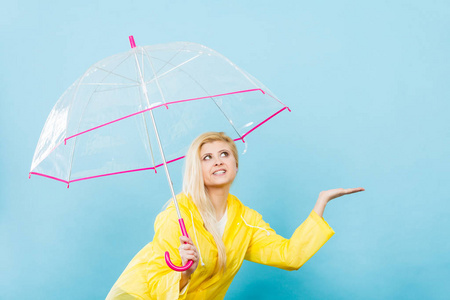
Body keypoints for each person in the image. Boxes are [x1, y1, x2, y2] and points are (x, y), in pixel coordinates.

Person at [106, 132, 364, 299]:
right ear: (197, 169)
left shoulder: (246, 221)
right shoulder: (177, 216)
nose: (218, 161)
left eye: (224, 154)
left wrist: (321, 202)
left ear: (235, 165)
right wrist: (185, 273)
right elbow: (154, 283)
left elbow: (290, 256)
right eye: (207, 157)